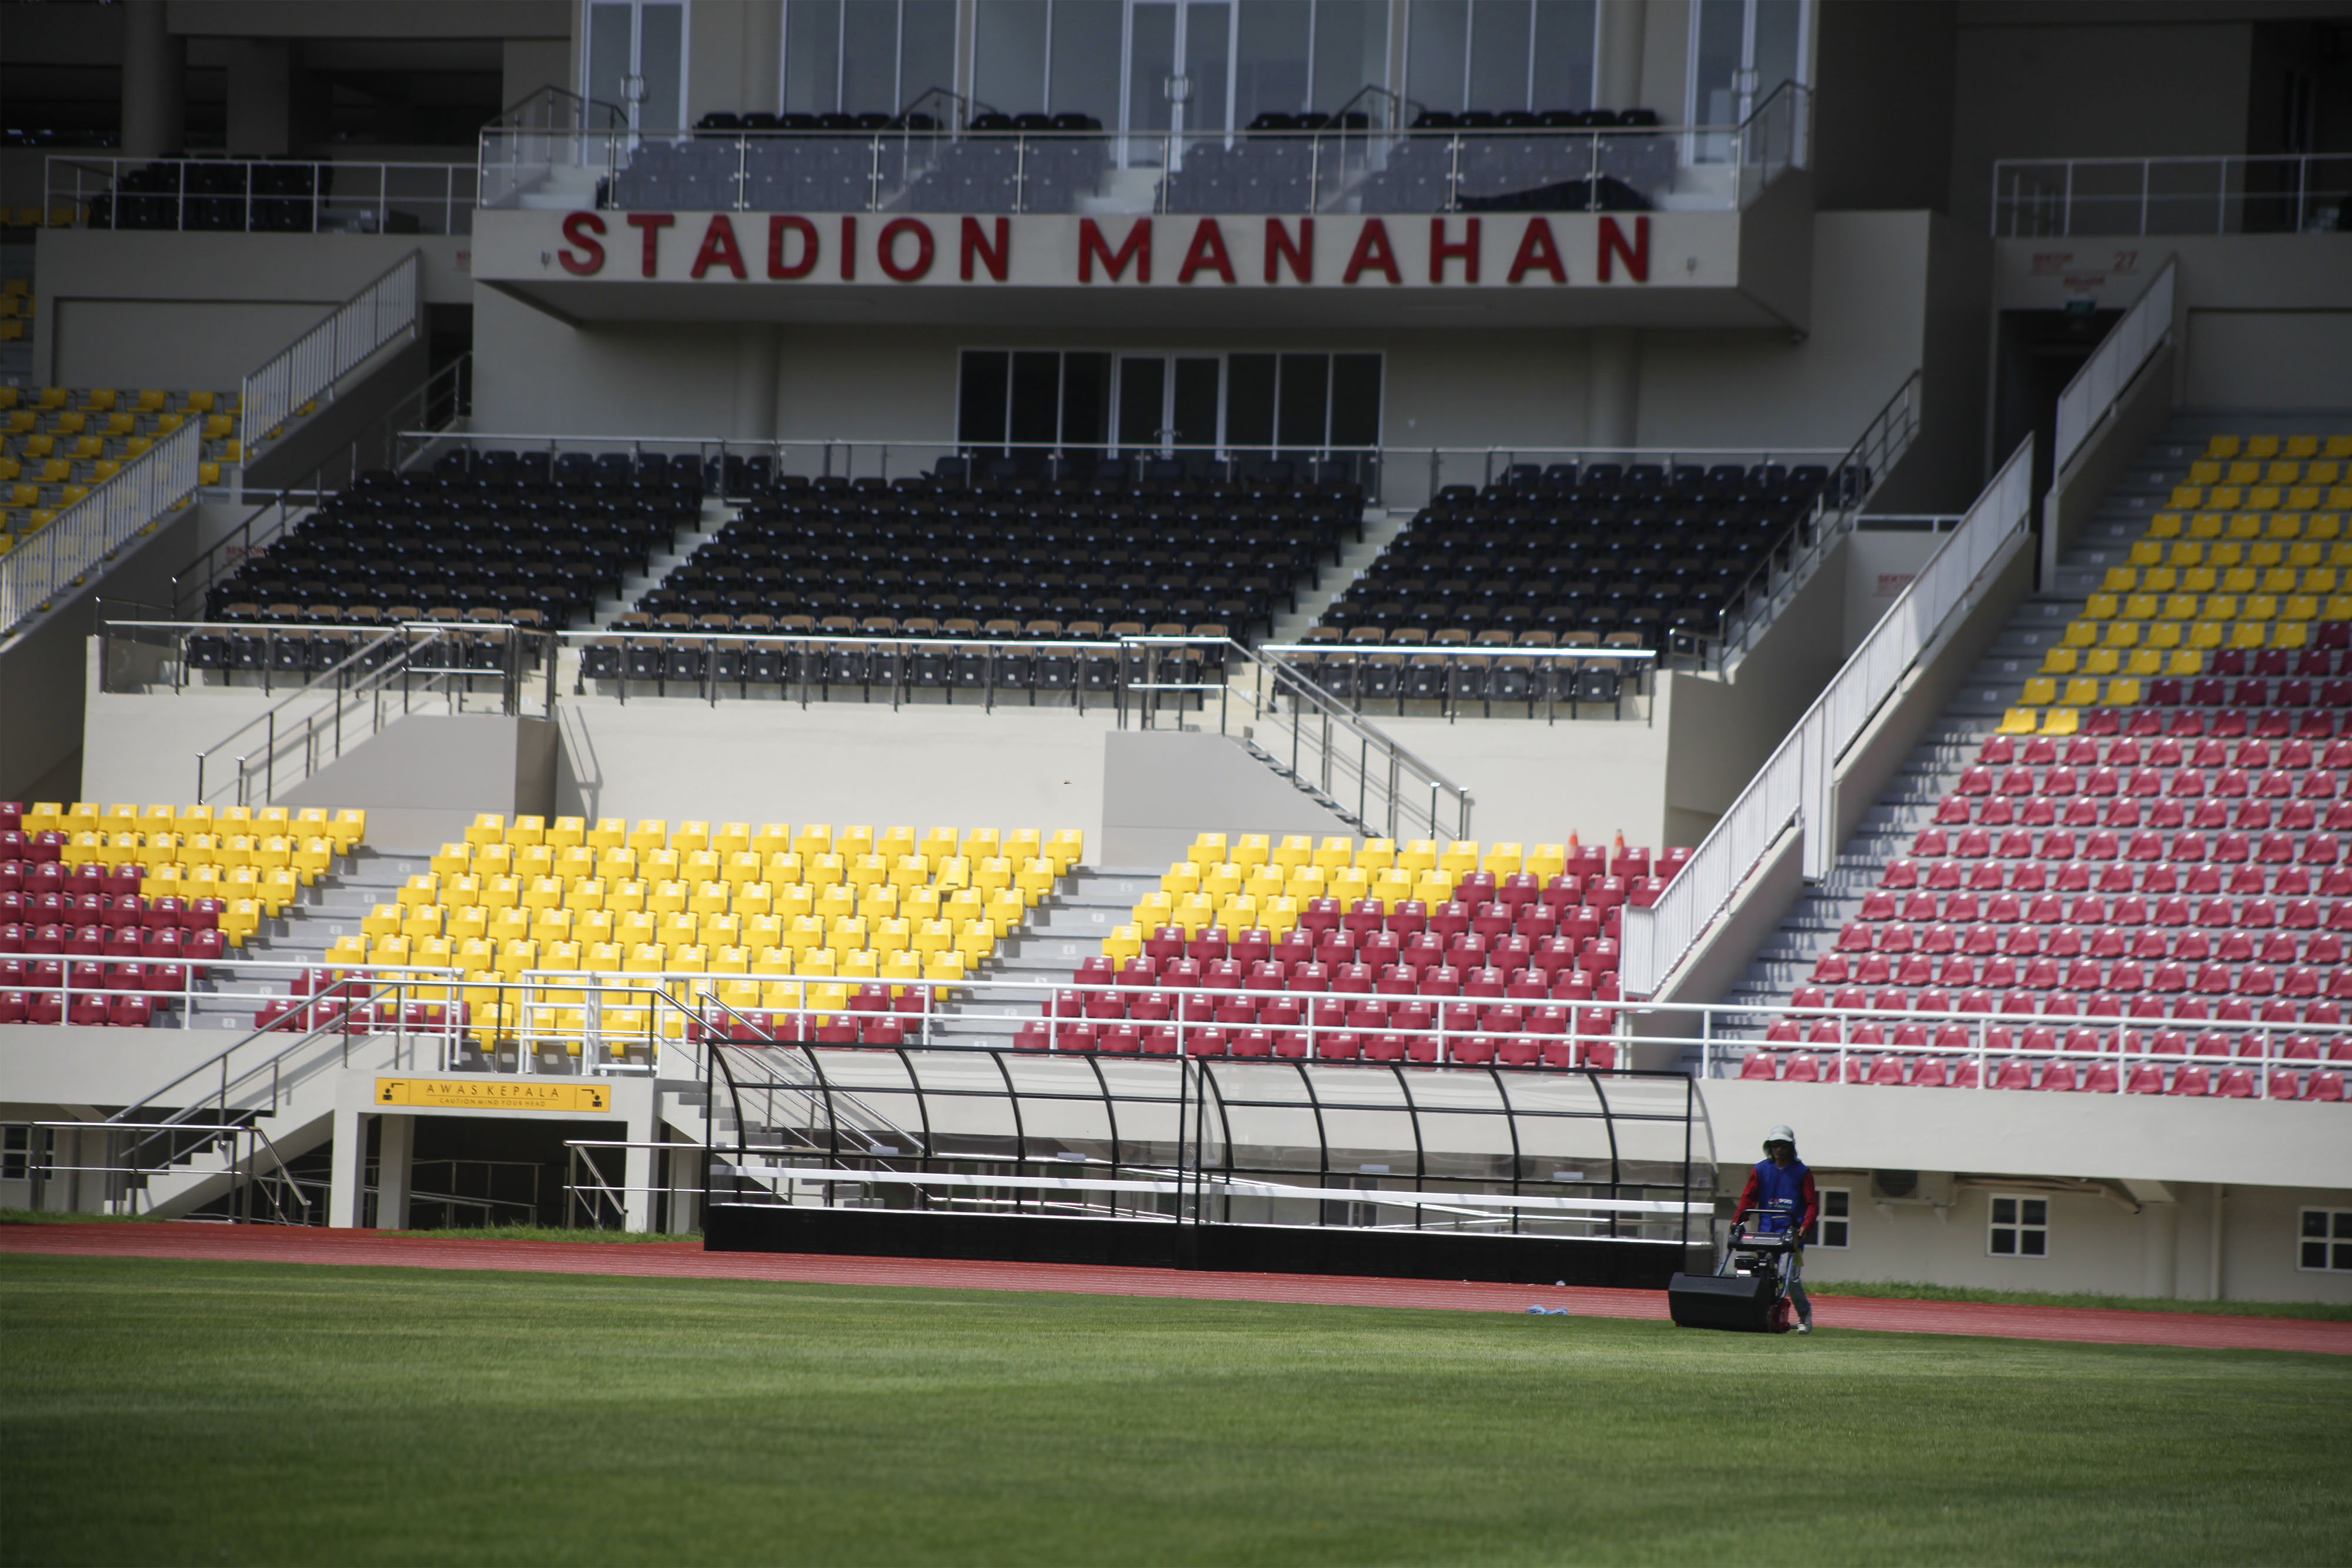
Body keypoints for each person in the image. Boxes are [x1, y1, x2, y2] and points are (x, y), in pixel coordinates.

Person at [1732, 1124, 1818, 1333]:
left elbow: (1812, 1204)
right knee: (1760, 1273)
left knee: (1789, 1277)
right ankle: (1761, 1315)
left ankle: (1805, 1314)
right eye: (1775, 1145)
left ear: (1791, 1147)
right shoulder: (1760, 1170)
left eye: (1783, 1146)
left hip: (1791, 1234)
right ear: (1769, 1147)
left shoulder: (1802, 1172)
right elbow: (1749, 1198)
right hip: (1766, 1232)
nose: (1779, 1150)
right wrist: (1738, 1221)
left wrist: (1805, 1226)